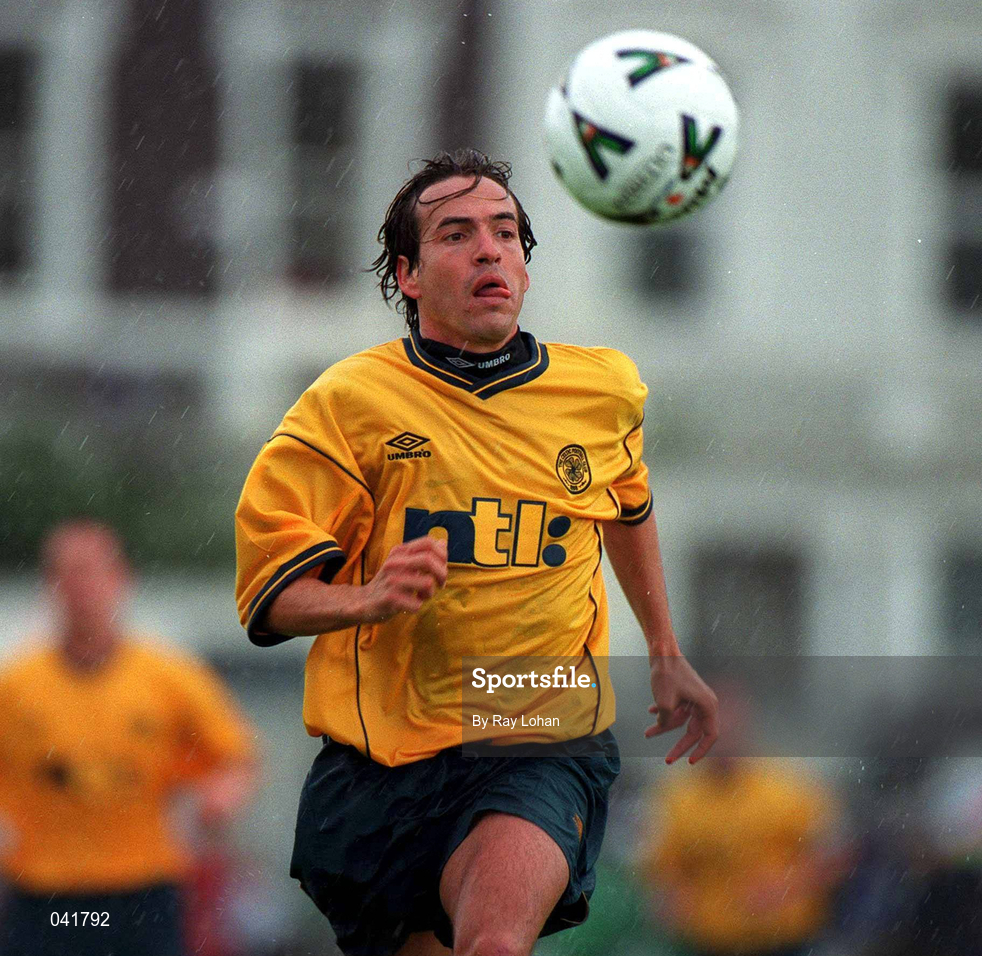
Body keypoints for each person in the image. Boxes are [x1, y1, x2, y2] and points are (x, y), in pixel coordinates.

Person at [234, 148, 719, 956]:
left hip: (535, 725)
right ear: (410, 274)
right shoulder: (347, 404)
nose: (489, 249)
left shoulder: (603, 392)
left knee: (494, 944)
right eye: (456, 234)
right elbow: (266, 597)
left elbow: (627, 508)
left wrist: (666, 650)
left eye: (505, 233)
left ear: (525, 266)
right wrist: (367, 597)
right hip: (384, 755)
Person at [0, 520, 260, 956]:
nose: (81, 588)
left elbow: (235, 757)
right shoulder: (15, 687)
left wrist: (221, 796)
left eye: (93, 572)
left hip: (144, 889)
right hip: (45, 894)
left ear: (121, 579)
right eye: (68, 573)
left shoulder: (171, 678)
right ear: (49, 585)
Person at [641, 683, 847, 956]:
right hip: (709, 944)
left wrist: (786, 888)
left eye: (729, 729)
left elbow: (834, 856)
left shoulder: (790, 788)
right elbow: (662, 868)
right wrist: (676, 901)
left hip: (785, 943)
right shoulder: (678, 799)